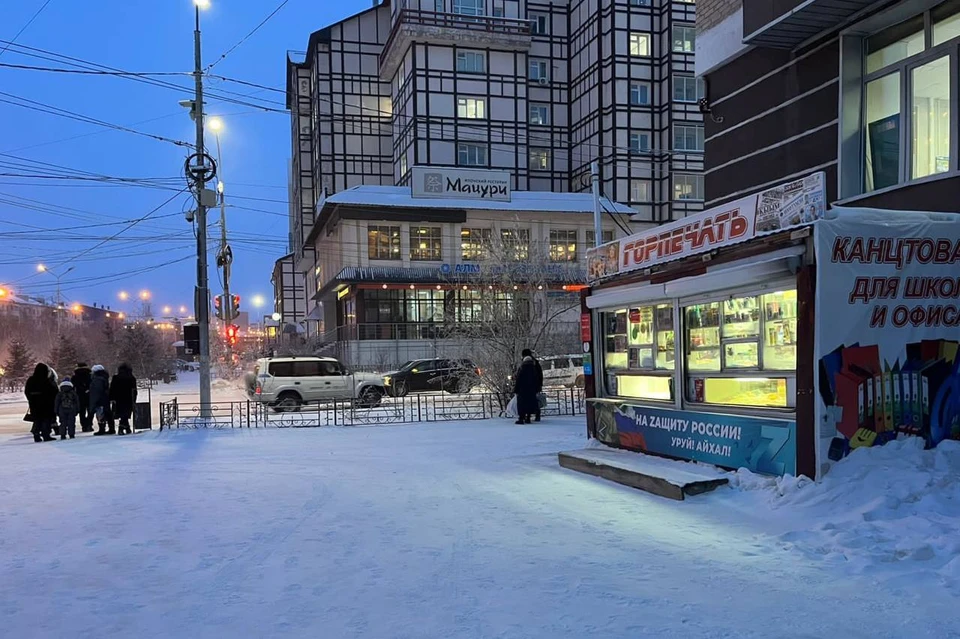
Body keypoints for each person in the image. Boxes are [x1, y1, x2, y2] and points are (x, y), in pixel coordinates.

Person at [24, 363, 58, 442]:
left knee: (37, 419)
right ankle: (46, 434)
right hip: (46, 404)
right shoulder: (47, 381)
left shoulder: (31, 380)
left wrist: (31, 399)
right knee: (46, 419)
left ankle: (36, 434)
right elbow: (54, 392)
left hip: (34, 404)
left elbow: (27, 391)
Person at [109, 363, 137, 436]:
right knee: (125, 414)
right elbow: (134, 390)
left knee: (122, 414)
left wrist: (112, 398)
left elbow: (112, 389)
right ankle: (122, 428)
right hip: (128, 399)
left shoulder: (116, 378)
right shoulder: (131, 378)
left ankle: (126, 428)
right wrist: (134, 399)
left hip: (118, 399)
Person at [513, 352, 540, 425]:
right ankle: (528, 417)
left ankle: (521, 418)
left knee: (522, 404)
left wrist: (516, 389)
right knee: (530, 403)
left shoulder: (522, 368)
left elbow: (519, 379)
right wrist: (537, 388)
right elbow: (537, 379)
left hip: (522, 390)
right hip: (531, 390)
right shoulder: (533, 368)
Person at [90, 364, 114, 436]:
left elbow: (97, 391)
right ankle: (111, 428)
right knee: (107, 413)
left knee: (100, 414)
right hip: (105, 398)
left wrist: (94, 400)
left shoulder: (97, 379)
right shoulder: (104, 377)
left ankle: (102, 429)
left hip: (99, 399)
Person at [521, 348, 544, 422]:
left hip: (527, 385)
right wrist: (540, 385)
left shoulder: (526, 362)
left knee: (527, 401)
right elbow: (540, 374)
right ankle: (536, 415)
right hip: (535, 385)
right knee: (534, 400)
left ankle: (527, 416)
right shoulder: (535, 362)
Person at [73, 362, 93, 432]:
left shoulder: (75, 376)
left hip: (80, 395)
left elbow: (74, 386)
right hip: (89, 395)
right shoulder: (90, 375)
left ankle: (84, 426)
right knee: (90, 411)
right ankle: (89, 424)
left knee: (82, 412)